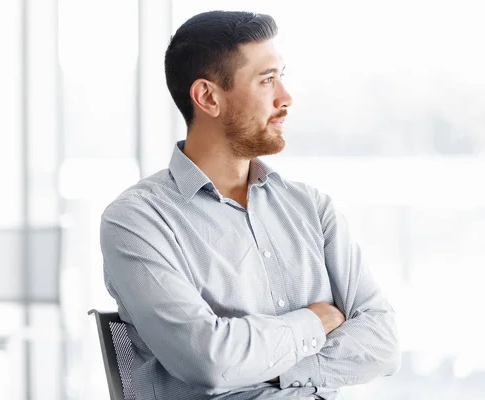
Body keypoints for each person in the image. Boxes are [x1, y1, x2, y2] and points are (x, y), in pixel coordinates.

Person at [100, 10, 400, 400]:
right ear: (208, 97)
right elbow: (209, 361)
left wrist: (269, 369)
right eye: (266, 80)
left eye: (281, 76)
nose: (286, 97)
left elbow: (382, 342)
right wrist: (314, 321)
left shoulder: (311, 208)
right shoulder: (137, 221)